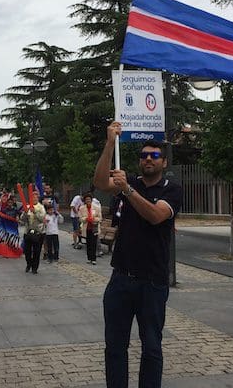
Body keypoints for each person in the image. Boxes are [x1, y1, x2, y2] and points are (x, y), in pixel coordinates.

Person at [94, 121, 182, 388]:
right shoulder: (129, 181)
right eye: (144, 155)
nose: (148, 159)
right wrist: (110, 142)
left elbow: (155, 216)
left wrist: (128, 191)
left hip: (153, 282)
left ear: (164, 162)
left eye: (154, 155)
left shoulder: (171, 190)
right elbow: (99, 181)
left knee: (152, 347)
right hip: (121, 278)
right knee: (115, 346)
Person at [22, 192, 46, 274]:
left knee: (37, 251)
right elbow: (22, 219)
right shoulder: (27, 207)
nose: (34, 199)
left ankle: (35, 268)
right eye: (32, 198)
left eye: (35, 198)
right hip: (28, 232)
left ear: (38, 199)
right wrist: (25, 213)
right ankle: (29, 264)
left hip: (38, 232)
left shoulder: (41, 207)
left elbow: (42, 219)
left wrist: (35, 212)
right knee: (27, 251)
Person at [78, 193, 102, 265]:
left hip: (94, 228)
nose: (88, 200)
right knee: (88, 243)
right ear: (84, 201)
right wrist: (86, 219)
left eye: (89, 199)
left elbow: (100, 218)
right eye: (86, 199)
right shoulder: (82, 208)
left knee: (94, 243)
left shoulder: (96, 207)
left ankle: (93, 259)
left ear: (91, 200)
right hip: (86, 228)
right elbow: (80, 218)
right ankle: (89, 258)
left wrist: (94, 219)